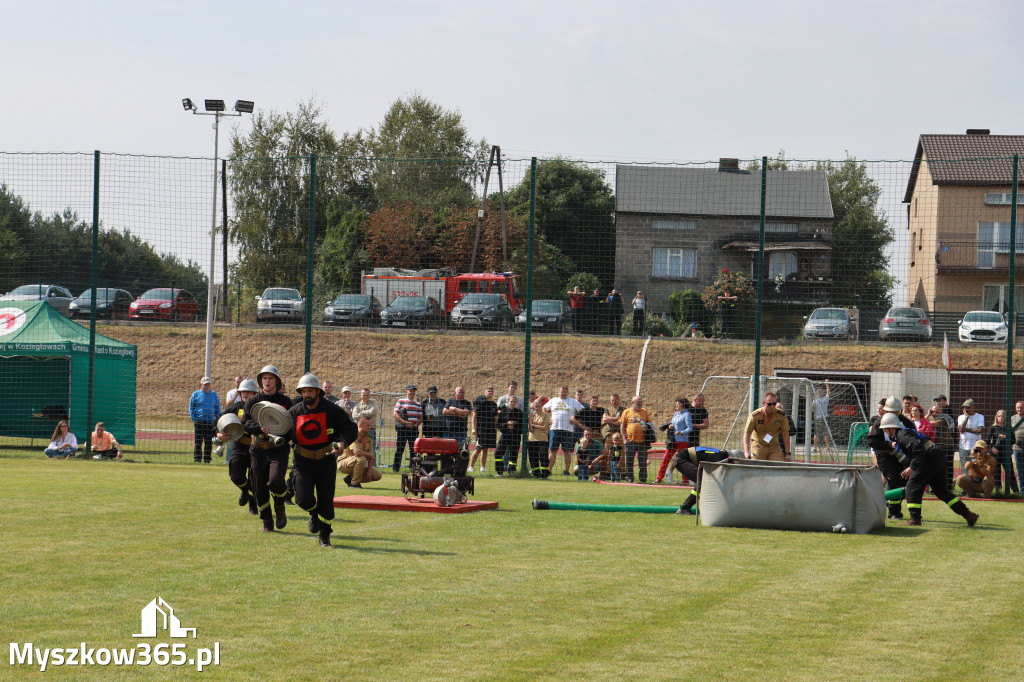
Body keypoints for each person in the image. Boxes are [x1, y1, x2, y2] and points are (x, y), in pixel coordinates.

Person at [288, 373, 358, 547]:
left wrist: (343, 442)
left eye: (310, 390)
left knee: (326, 502)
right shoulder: (295, 411)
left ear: (318, 391)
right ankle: (314, 514)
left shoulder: (332, 410)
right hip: (302, 461)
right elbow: (281, 427)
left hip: (325, 461)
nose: (307, 395)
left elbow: (350, 428)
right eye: (303, 391)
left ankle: (325, 534)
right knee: (302, 499)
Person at [879, 412, 978, 527]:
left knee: (912, 487)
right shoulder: (904, 433)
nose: (885, 431)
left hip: (930, 458)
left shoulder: (902, 434)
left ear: (891, 427)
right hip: (937, 456)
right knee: (942, 492)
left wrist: (912, 467)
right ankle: (969, 515)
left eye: (885, 429)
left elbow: (918, 449)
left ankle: (915, 519)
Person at [242, 364, 293, 533]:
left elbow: (290, 426)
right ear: (260, 381)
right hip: (257, 449)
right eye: (264, 378)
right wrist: (258, 428)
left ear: (277, 381)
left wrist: (281, 433)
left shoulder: (286, 402)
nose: (267, 381)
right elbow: (245, 422)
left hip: (278, 449)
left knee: (276, 481)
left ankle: (279, 505)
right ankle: (267, 521)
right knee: (259, 487)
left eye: (270, 378)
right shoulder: (252, 401)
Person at [215, 378, 259, 514]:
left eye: (249, 392)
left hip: (257, 448)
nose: (245, 394)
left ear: (255, 394)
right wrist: (218, 434)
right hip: (239, 447)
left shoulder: (261, 408)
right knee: (236, 476)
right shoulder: (235, 407)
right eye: (243, 392)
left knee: (255, 478)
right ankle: (245, 490)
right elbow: (217, 421)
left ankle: (253, 504)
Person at [867, 396, 915, 519]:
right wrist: (890, 445)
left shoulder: (907, 423)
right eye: (891, 411)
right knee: (893, 481)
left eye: (897, 411)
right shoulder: (879, 422)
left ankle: (891, 503)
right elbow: (871, 441)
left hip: (902, 456)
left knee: (903, 481)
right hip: (884, 456)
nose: (894, 414)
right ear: (886, 410)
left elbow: (914, 440)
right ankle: (894, 512)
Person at [673, 446, 734, 514]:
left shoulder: (719, 454)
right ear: (730, 457)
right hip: (681, 460)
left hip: (683, 458)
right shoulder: (720, 459)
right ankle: (684, 508)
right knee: (702, 482)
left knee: (704, 481)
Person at [545, 386, 585, 476]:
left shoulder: (573, 401)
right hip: (554, 429)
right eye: (562, 392)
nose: (563, 393)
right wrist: (548, 418)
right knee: (552, 450)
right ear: (558, 392)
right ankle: (549, 470)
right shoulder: (553, 400)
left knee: (567, 451)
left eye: (565, 392)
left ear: (568, 392)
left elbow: (583, 410)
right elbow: (544, 408)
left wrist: (575, 418)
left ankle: (566, 471)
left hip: (568, 430)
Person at [743, 392, 790, 461]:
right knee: (757, 466)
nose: (772, 406)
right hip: (759, 445)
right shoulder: (755, 416)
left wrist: (788, 453)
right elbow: (747, 434)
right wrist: (746, 452)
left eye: (774, 404)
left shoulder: (781, 415)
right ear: (764, 404)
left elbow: (785, 434)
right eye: (769, 404)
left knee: (779, 466)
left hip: (774, 445)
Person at [338, 417, 382, 489]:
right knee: (361, 459)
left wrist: (369, 472)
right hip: (344, 463)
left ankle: (350, 478)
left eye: (370, 425)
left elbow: (370, 457)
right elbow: (357, 452)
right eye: (367, 425)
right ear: (361, 426)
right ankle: (354, 484)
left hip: (358, 462)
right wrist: (369, 455)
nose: (370, 427)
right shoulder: (354, 435)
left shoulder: (369, 438)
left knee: (377, 475)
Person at [656, 397, 692, 484]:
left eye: (678, 403)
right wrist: (670, 426)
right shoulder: (676, 414)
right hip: (672, 441)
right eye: (676, 403)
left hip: (682, 441)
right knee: (665, 459)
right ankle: (659, 479)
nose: (676, 405)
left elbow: (690, 428)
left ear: (682, 404)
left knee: (682, 461)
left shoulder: (686, 414)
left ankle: (685, 481)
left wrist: (681, 432)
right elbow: (672, 424)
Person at [189, 376, 220, 463]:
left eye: (208, 384)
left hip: (210, 422)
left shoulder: (214, 395)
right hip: (199, 422)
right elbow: (191, 408)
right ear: (201, 384)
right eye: (205, 384)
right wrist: (194, 419)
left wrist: (217, 419)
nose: (207, 386)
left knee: (209, 443)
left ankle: (207, 460)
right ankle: (197, 459)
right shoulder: (195, 394)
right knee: (198, 442)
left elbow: (217, 408)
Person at [620, 395, 651, 483]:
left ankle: (643, 479)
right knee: (629, 461)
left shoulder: (645, 412)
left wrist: (647, 426)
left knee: (643, 462)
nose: (640, 404)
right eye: (638, 402)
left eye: (641, 402)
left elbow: (650, 424)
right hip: (630, 440)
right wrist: (624, 439)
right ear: (632, 402)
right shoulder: (626, 412)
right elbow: (622, 426)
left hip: (642, 441)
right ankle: (629, 478)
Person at [986, 409, 1018, 494]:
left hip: (1006, 453)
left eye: (1002, 416)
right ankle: (998, 491)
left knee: (1010, 472)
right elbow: (988, 441)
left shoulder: (1009, 428)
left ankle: (1016, 492)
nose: (1001, 418)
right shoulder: (993, 428)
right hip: (995, 453)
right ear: (996, 417)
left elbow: (1013, 441)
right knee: (996, 472)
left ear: (1005, 418)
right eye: (999, 416)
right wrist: (992, 448)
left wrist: (1005, 437)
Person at [927, 404, 957, 491]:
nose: (935, 413)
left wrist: (923, 421)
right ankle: (936, 487)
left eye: (937, 411)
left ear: (941, 411)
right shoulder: (931, 418)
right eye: (933, 411)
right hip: (935, 446)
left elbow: (935, 424)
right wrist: (928, 414)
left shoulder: (944, 418)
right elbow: (923, 422)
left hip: (947, 446)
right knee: (936, 467)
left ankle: (948, 486)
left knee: (948, 467)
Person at [392, 384, 422, 472]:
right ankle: (396, 469)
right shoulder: (401, 401)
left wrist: (415, 425)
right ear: (407, 391)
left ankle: (412, 469)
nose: (412, 392)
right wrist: (404, 422)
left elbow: (420, 418)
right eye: (410, 391)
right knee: (400, 449)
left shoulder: (418, 404)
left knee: (413, 450)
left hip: (413, 429)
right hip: (403, 429)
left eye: (413, 391)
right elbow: (395, 414)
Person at [469, 387, 498, 473]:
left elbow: (495, 418)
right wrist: (473, 428)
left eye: (491, 391)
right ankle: (471, 467)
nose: (490, 392)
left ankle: (483, 467)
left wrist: (495, 427)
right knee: (478, 449)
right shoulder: (480, 402)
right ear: (484, 392)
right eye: (488, 391)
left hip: (490, 429)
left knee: (486, 449)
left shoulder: (493, 404)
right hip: (481, 429)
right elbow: (474, 416)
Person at [494, 395, 523, 475]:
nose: (512, 403)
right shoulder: (503, 412)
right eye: (511, 401)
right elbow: (498, 425)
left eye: (514, 402)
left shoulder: (519, 413)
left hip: (515, 436)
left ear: (516, 403)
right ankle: (499, 472)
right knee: (498, 453)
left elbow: (523, 428)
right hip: (505, 435)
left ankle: (512, 471)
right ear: (508, 402)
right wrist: (506, 425)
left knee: (513, 454)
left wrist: (514, 426)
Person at [957, 399, 985, 474]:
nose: (966, 409)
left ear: (974, 407)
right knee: (964, 468)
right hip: (963, 446)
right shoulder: (960, 417)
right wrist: (966, 418)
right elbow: (962, 430)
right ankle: (965, 484)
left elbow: (980, 431)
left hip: (975, 447)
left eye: (968, 407)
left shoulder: (980, 417)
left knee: (976, 467)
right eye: (964, 407)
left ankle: (976, 484)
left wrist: (966, 429)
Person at [601, 393, 625, 480]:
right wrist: (616, 420)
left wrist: (610, 420)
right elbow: (604, 419)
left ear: (619, 400)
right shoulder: (607, 409)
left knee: (621, 453)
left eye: (616, 400)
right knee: (609, 453)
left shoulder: (623, 409)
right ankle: (608, 473)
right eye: (612, 400)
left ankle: (622, 473)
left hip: (620, 434)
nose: (614, 402)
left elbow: (622, 421)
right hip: (609, 434)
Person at [527, 396, 551, 477]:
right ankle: (536, 474)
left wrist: (533, 425)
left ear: (541, 406)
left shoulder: (545, 415)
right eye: (535, 406)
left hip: (542, 439)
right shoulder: (531, 415)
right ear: (533, 406)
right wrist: (530, 421)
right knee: (533, 457)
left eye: (538, 406)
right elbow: (530, 429)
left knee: (543, 457)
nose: (537, 408)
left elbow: (545, 427)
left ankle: (544, 474)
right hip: (532, 439)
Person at [351, 389, 379, 453]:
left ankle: (372, 463)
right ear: (360, 395)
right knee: (359, 448)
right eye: (363, 395)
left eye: (367, 395)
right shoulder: (357, 405)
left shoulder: (374, 403)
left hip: (370, 429)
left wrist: (360, 413)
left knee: (372, 450)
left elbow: (373, 411)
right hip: (359, 431)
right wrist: (366, 415)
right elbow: (354, 416)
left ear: (370, 395)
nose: (365, 397)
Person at [811, 380, 831, 453]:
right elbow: (828, 393)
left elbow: (812, 409)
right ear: (822, 394)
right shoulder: (825, 399)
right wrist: (827, 384)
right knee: (826, 433)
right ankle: (827, 447)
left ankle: (815, 448)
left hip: (818, 418)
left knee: (816, 434)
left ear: (817, 394)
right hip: (825, 417)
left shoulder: (815, 401)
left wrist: (815, 411)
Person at [1012, 401, 1024, 492]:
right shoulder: (1012, 419)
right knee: (1020, 472)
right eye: (1018, 407)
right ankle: (1022, 492)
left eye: (1022, 407)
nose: (1020, 409)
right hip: (1017, 449)